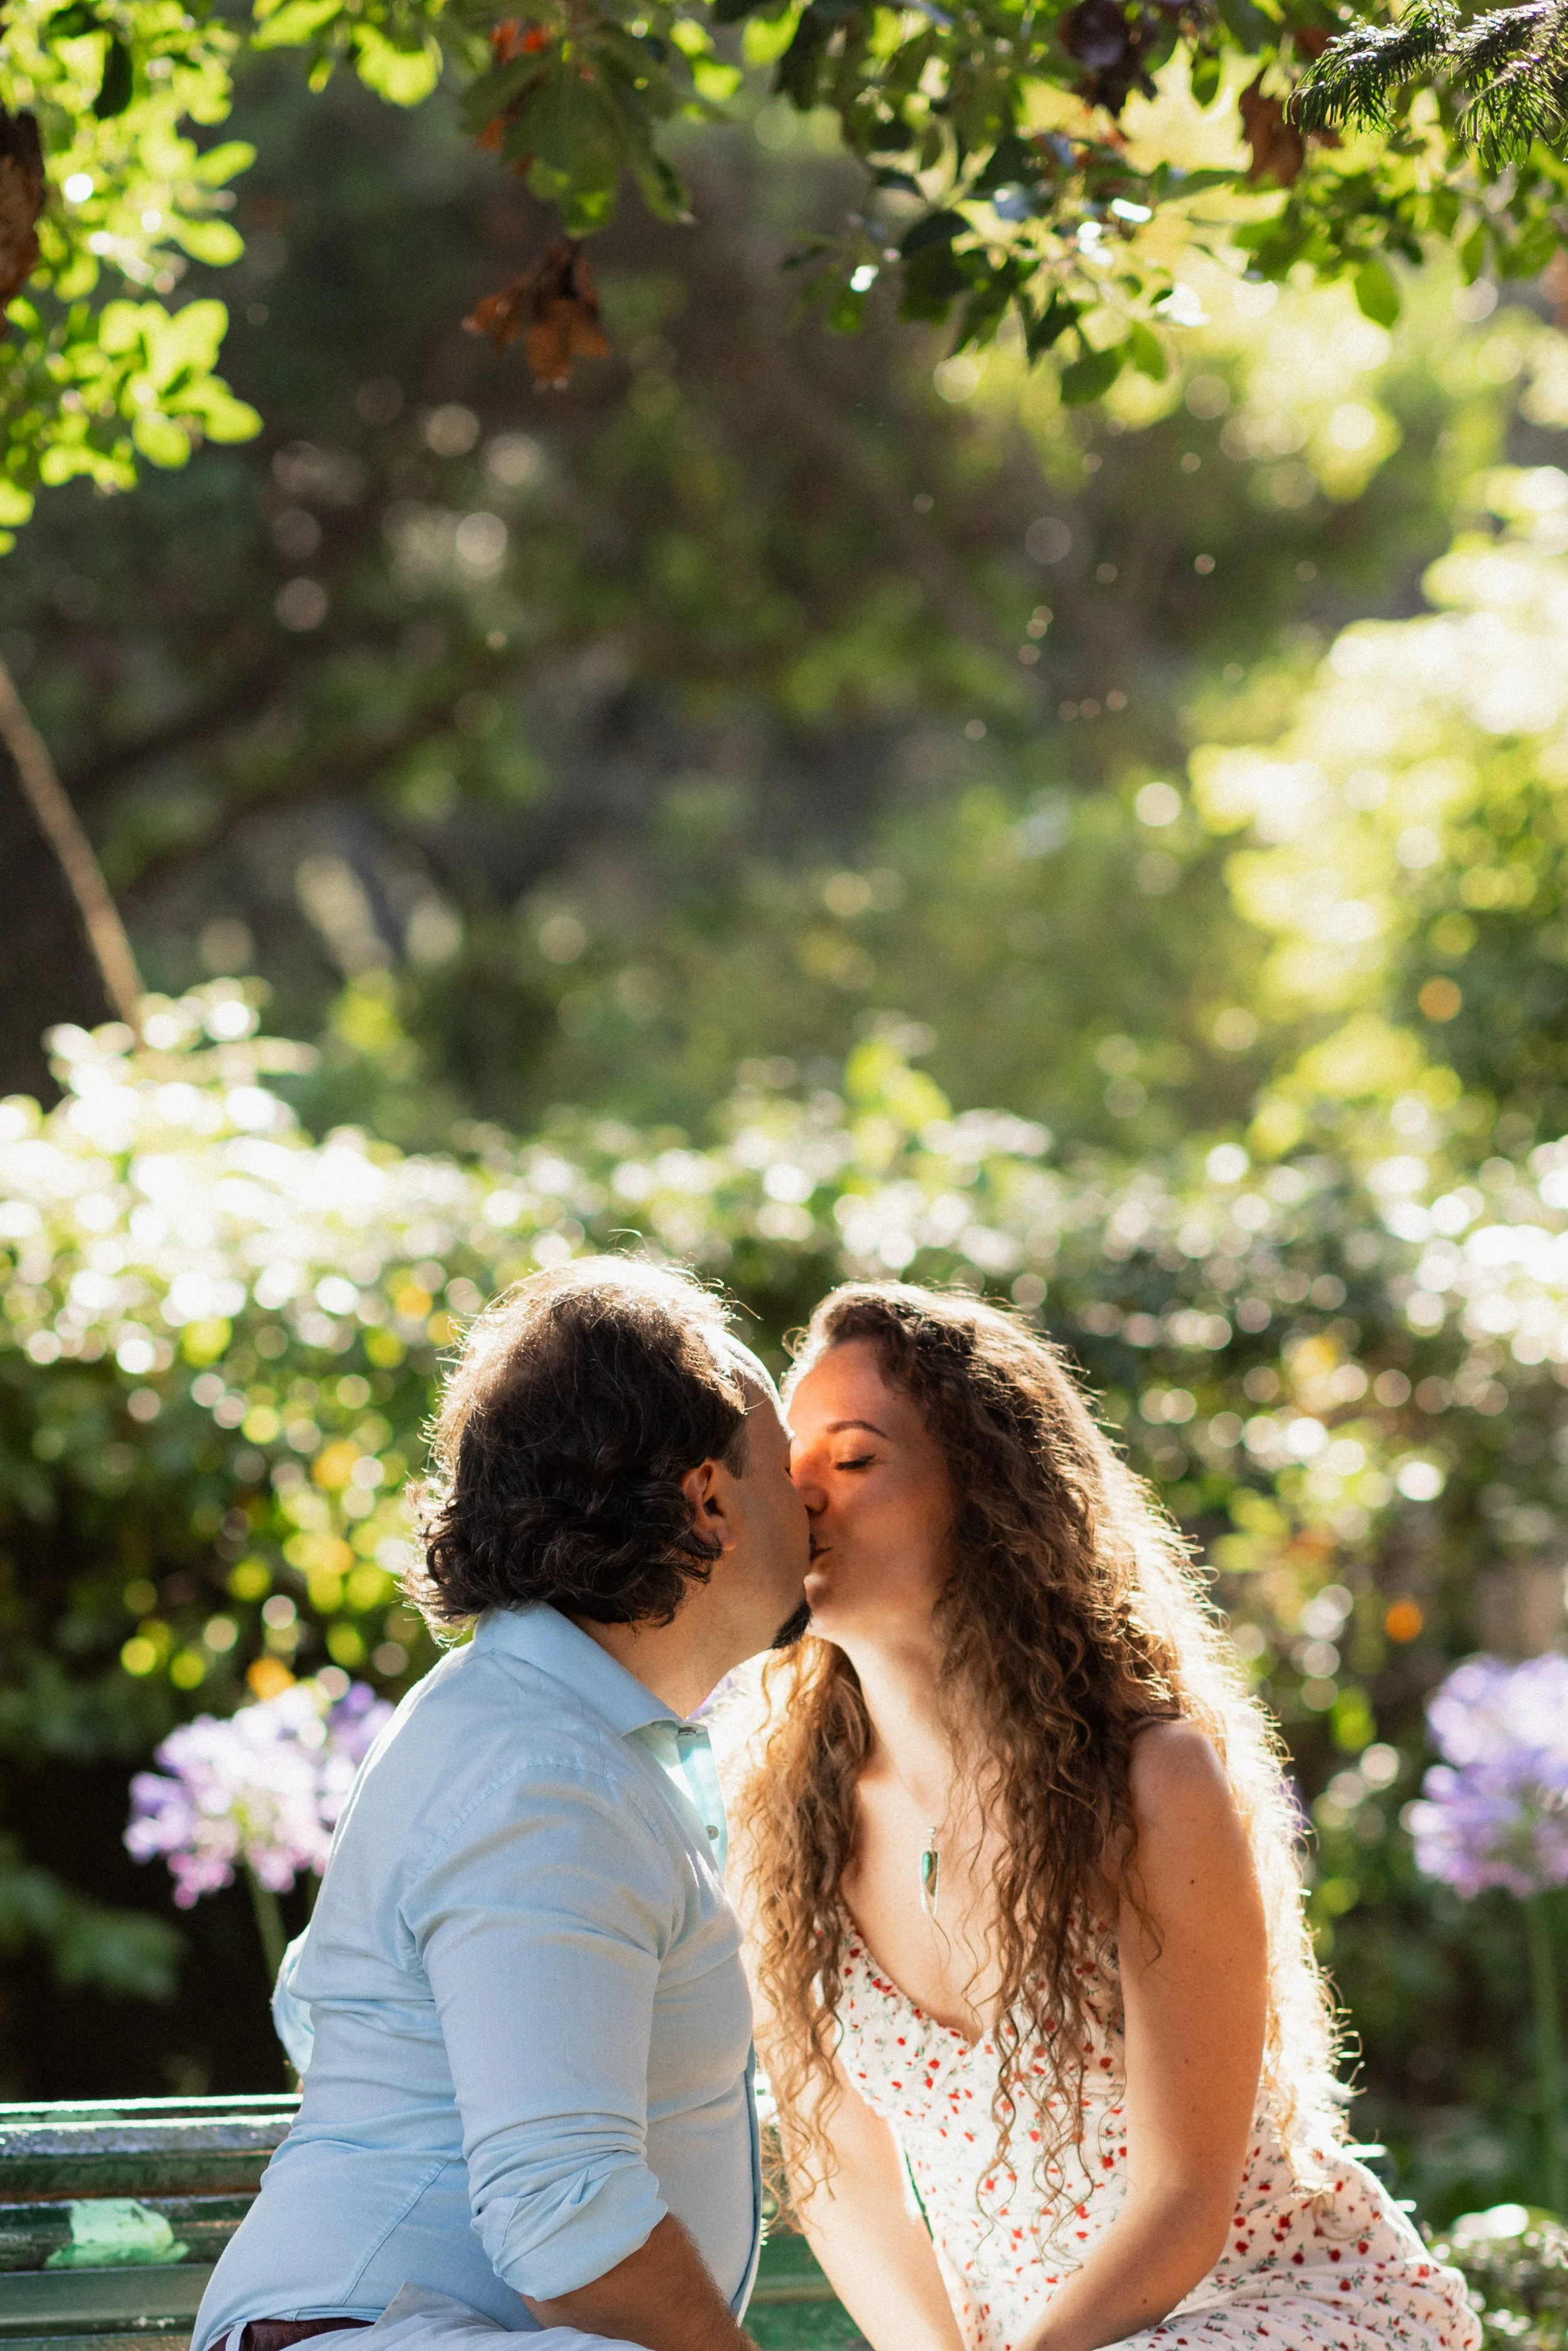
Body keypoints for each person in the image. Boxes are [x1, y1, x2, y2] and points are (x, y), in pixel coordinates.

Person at [728, 1282, 1480, 2351]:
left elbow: (1184, 2199)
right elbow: (839, 2173)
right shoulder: (784, 1821)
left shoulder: (1147, 1782)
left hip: (1265, 2313)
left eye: (852, 1461)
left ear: (989, 1498)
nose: (806, 1504)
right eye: (791, 1473)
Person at [196, 1257, 810, 2351]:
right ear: (710, 1501)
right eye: (790, 1472)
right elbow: (567, 2222)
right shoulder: (546, 1778)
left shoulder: (544, 1730)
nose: (812, 1508)